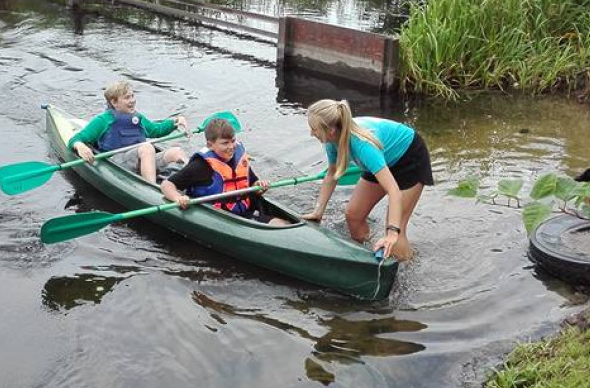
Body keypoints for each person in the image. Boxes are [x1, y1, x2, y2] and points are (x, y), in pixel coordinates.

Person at [303, 99, 433, 261]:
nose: (311, 133)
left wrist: (392, 233)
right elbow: (332, 174)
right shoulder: (331, 141)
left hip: (409, 158)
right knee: (353, 215)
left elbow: (394, 191)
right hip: (382, 159)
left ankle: (405, 266)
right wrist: (318, 212)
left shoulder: (363, 146)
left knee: (395, 234)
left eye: (314, 129)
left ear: (330, 130)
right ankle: (365, 258)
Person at [161, 117, 289, 226]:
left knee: (283, 223)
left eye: (233, 141)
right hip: (219, 217)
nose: (231, 147)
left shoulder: (239, 159)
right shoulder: (200, 166)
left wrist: (259, 186)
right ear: (210, 145)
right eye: (225, 143)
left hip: (246, 210)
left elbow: (252, 184)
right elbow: (167, 185)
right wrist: (178, 198)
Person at [68, 80, 188, 182]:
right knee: (147, 147)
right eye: (127, 98)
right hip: (116, 163)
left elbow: (156, 130)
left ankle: (192, 182)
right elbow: (76, 139)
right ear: (114, 102)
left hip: (141, 159)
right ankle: (151, 187)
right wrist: (80, 146)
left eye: (132, 96)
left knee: (176, 152)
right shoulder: (103, 120)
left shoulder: (138, 118)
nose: (132, 100)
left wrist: (175, 122)